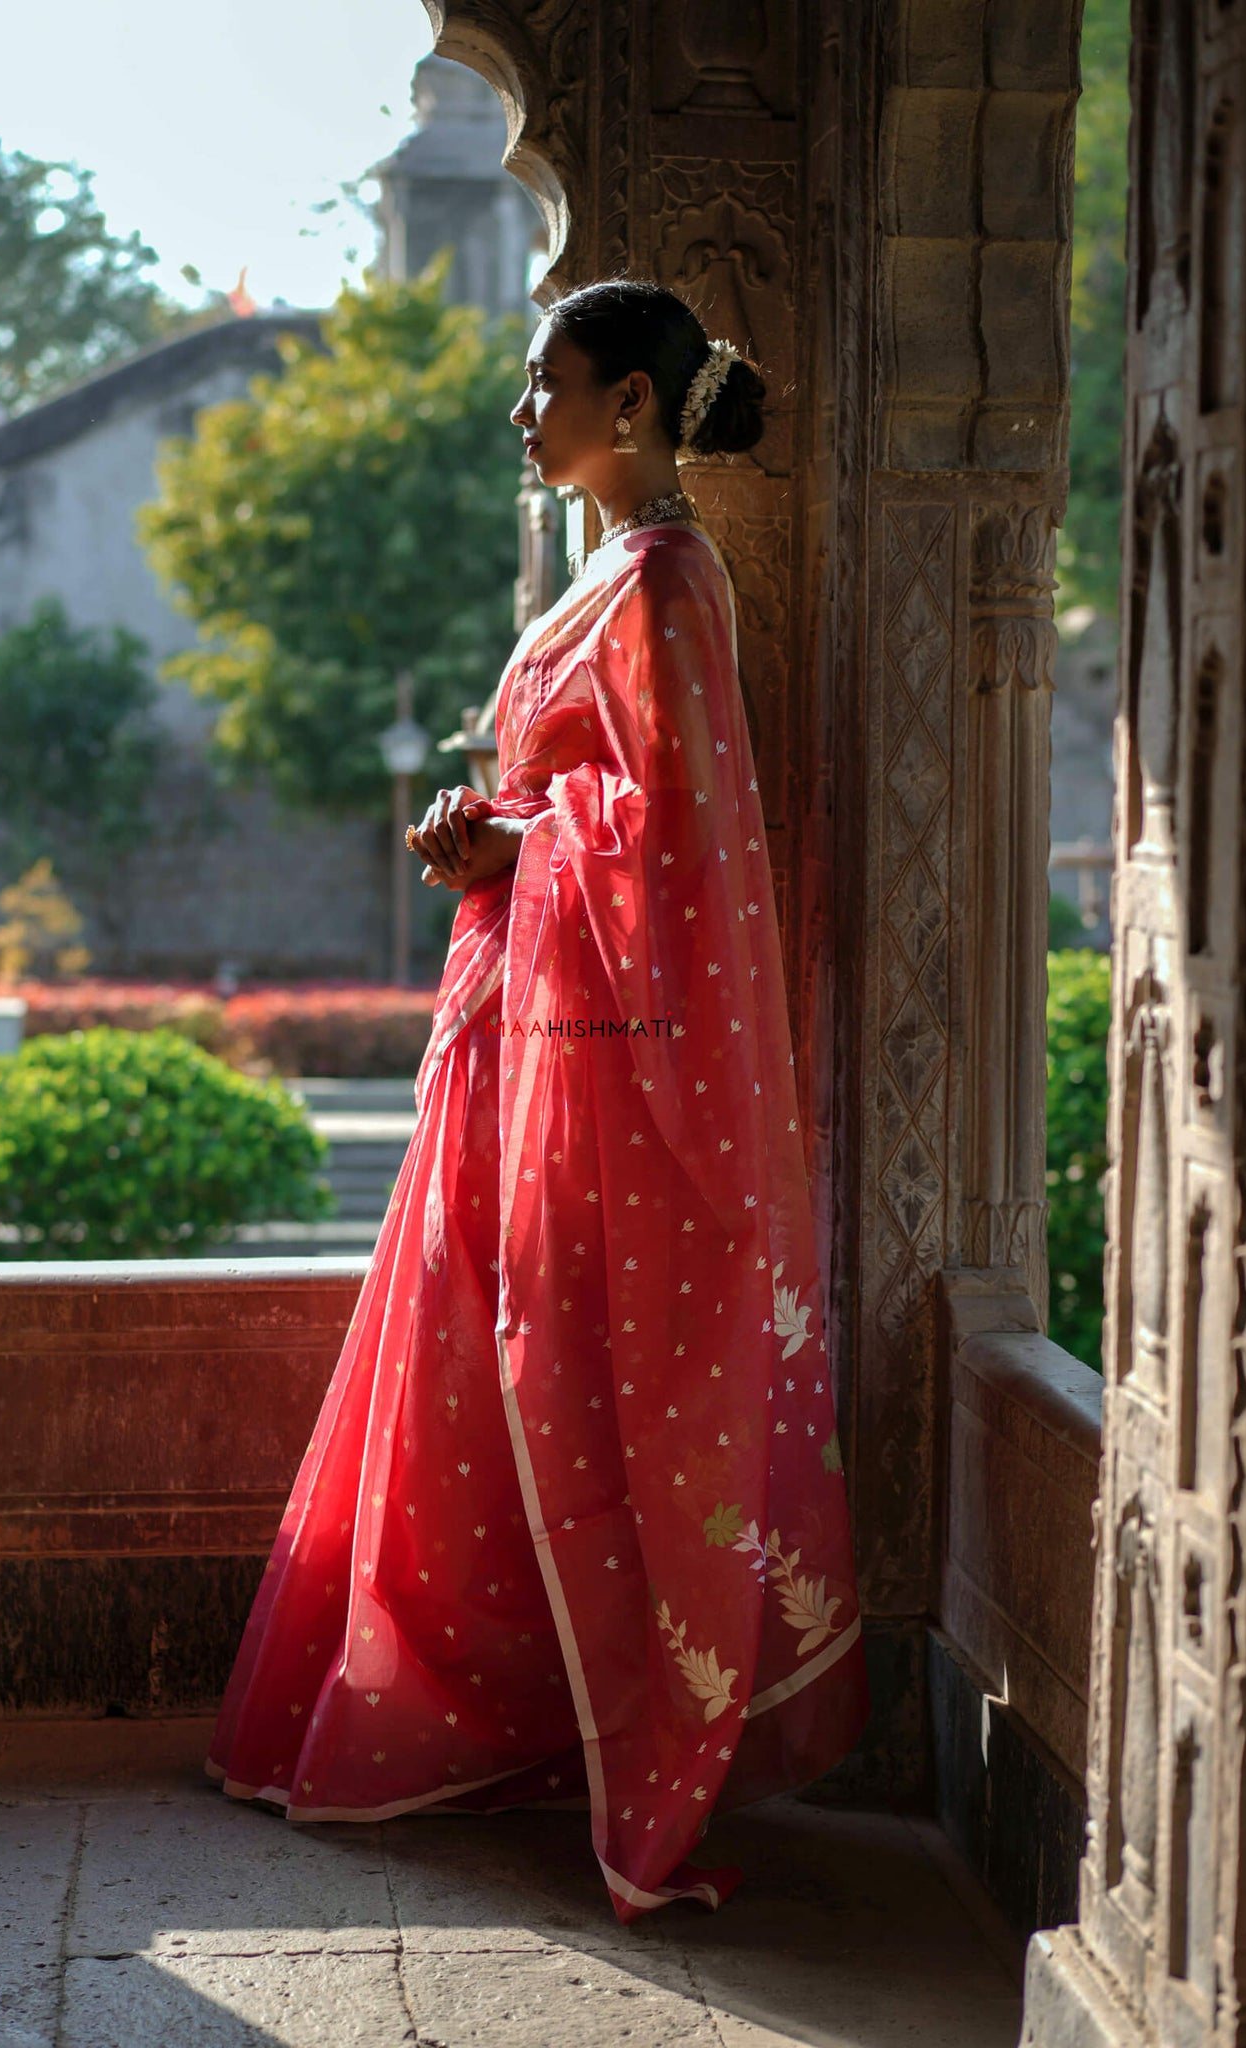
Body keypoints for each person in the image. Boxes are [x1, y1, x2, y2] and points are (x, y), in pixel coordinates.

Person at [205, 278, 870, 1923]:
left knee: (576, 1372)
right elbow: (591, 806)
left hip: (598, 1053)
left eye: (545, 381)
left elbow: (687, 846)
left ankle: (638, 1749)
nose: (524, 408)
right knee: (474, 1360)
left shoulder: (660, 579)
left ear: (629, 405)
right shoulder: (598, 577)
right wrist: (488, 828)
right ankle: (488, 1715)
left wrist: (515, 848)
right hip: (524, 1026)